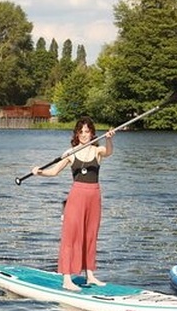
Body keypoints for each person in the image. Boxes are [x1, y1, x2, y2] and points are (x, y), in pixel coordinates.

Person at [31, 117, 115, 291]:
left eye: (87, 131)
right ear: (77, 134)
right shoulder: (70, 153)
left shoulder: (97, 150)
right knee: (71, 236)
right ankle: (67, 278)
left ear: (92, 133)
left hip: (94, 196)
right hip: (77, 195)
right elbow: (54, 172)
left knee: (90, 235)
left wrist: (108, 138)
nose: (84, 135)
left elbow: (108, 152)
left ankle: (90, 275)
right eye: (81, 132)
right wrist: (40, 172)